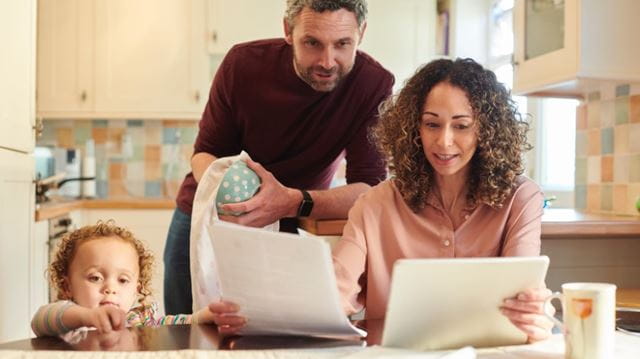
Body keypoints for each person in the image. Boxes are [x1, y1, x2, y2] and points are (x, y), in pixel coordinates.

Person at [206, 58, 554, 343]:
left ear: (486, 130)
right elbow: (334, 292)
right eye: (431, 124)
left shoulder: (520, 199)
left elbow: (525, 293)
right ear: (413, 129)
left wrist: (538, 314)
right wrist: (256, 310)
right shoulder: (375, 205)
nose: (444, 142)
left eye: (461, 126)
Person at [164, 0, 394, 314]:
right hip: (208, 217)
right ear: (288, 30)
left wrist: (290, 201)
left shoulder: (373, 84)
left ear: (361, 34)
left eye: (343, 44)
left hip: (291, 222)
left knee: (272, 333)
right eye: (312, 43)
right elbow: (205, 155)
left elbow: (368, 189)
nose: (328, 61)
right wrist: (236, 197)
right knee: (188, 331)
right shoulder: (242, 65)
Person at [31, 221, 216, 338]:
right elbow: (40, 320)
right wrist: (86, 317)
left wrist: (199, 318)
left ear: (137, 289)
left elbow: (169, 326)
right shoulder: (71, 323)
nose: (110, 288)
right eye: (95, 278)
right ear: (67, 286)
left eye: (123, 280)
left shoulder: (137, 321)